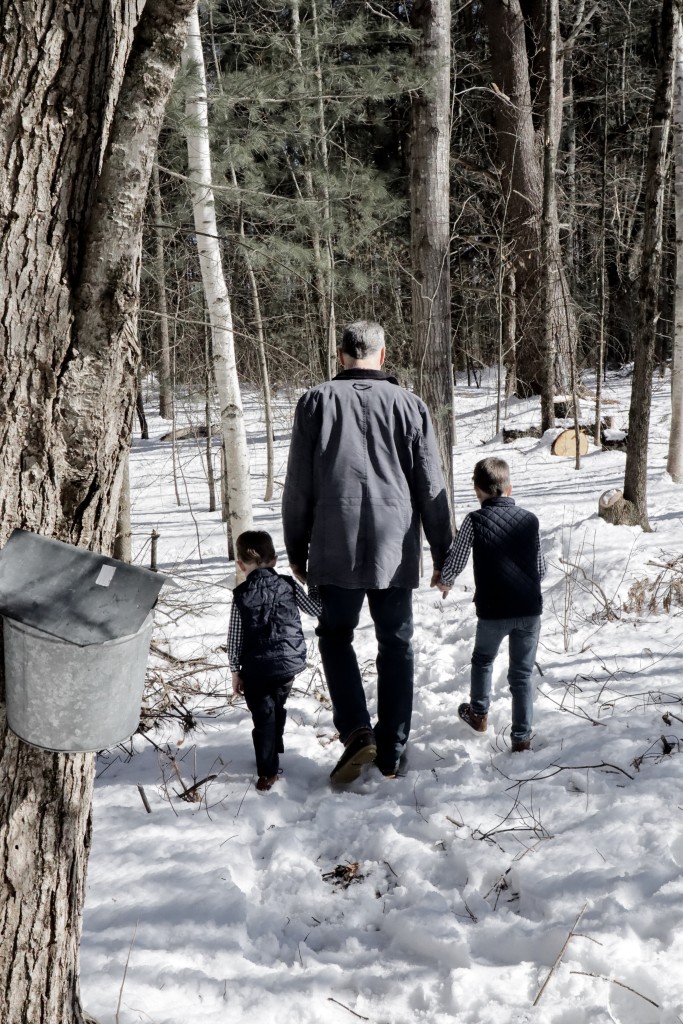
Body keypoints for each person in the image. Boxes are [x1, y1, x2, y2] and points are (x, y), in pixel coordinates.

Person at [282, 320, 452, 783]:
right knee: (395, 644)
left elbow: (298, 483)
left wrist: (296, 547)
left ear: (340, 357)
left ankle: (357, 731)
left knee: (335, 636)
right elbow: (431, 485)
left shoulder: (315, 402)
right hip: (393, 548)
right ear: (383, 354)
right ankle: (392, 749)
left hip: (333, 544)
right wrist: (445, 553)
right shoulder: (411, 406)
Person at [435, 457, 546, 752]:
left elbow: (457, 560)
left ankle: (479, 714)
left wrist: (444, 581)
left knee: (483, 660)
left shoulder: (474, 520)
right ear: (509, 488)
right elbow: (541, 569)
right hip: (528, 610)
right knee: (522, 674)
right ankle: (521, 738)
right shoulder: (530, 520)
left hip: (494, 610)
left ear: (477, 490)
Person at [228, 530, 322, 791]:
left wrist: (236, 670)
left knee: (263, 716)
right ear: (275, 560)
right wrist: (312, 583)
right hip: (287, 664)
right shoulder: (289, 585)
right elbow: (316, 609)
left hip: (256, 668)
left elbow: (235, 636)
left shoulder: (241, 595)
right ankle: (274, 746)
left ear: (240, 565)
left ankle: (267, 772)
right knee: (275, 706)